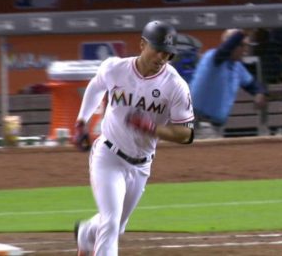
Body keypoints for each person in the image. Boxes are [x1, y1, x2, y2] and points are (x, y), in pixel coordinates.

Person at [73, 20, 194, 256]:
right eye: (157, 49)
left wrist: (152, 128)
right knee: (110, 222)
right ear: (142, 44)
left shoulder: (176, 86)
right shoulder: (115, 69)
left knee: (117, 226)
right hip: (108, 155)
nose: (162, 57)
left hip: (141, 165)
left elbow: (186, 134)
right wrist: (81, 121)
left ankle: (86, 233)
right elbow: (96, 86)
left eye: (168, 53)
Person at [189, 29, 267, 139]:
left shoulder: (237, 66)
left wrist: (259, 92)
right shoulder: (213, 58)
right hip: (198, 124)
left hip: (214, 127)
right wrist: (243, 32)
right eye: (242, 46)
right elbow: (225, 49)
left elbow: (252, 84)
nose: (245, 50)